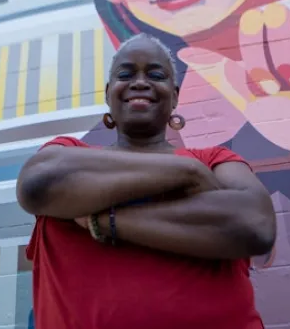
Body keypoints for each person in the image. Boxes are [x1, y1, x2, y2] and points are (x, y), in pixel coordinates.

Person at [17, 33, 276, 329]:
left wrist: (102, 221)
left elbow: (255, 225)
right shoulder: (69, 154)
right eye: (125, 74)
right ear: (108, 93)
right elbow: (36, 185)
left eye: (155, 75)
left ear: (175, 96)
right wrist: (185, 173)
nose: (140, 82)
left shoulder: (215, 160)